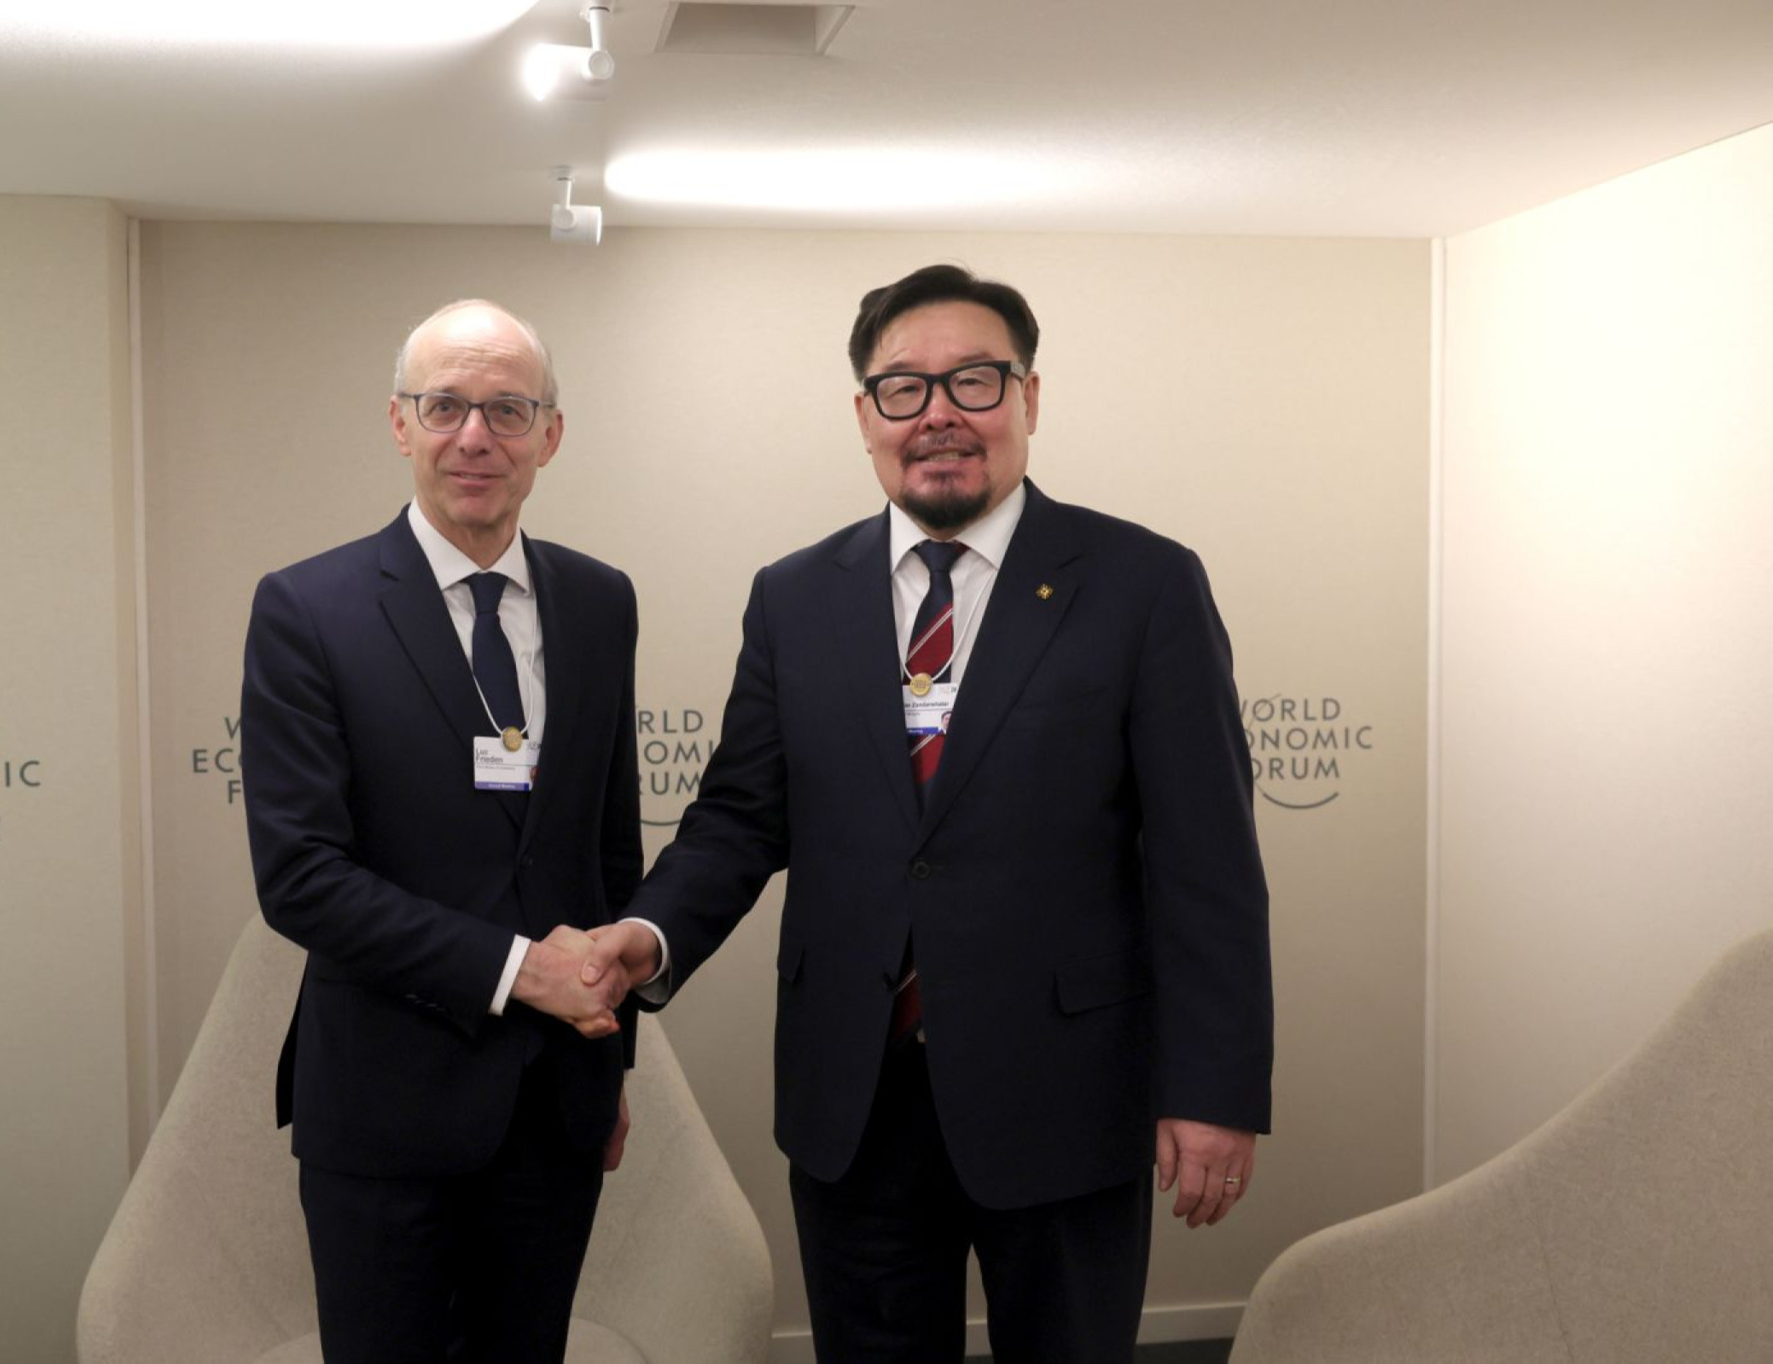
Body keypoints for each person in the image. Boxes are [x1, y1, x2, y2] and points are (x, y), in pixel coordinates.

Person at [587, 264, 1273, 1361]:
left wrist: (1213, 1088)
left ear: (1028, 398)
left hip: (1063, 1094)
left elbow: (1206, 863)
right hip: (853, 1099)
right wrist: (648, 931)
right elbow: (739, 817)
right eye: (903, 387)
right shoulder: (793, 595)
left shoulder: (1141, 584)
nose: (939, 412)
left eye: (974, 380)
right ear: (865, 415)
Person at [240, 299, 640, 1363]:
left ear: (550, 434)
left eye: (507, 409)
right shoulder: (307, 608)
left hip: (554, 1108)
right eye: (445, 406)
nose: (475, 436)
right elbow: (300, 877)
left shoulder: (601, 602)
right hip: (384, 1110)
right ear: (399, 422)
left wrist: (610, 1059)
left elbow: (607, 853)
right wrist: (518, 969)